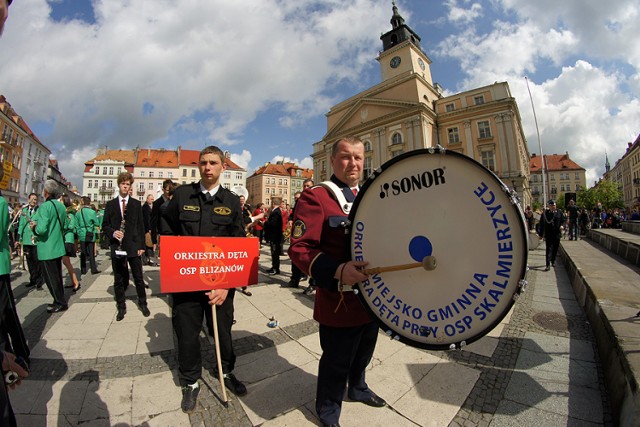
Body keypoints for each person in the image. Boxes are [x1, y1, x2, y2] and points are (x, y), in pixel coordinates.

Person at [288, 136, 385, 427]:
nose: (353, 163)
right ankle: (328, 409)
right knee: (335, 361)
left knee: (365, 350)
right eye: (345, 157)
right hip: (340, 299)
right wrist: (339, 270)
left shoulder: (373, 193)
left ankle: (358, 387)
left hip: (373, 297)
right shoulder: (316, 196)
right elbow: (300, 248)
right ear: (332, 161)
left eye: (358, 157)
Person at [160, 146, 248, 413]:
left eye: (213, 163)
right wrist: (172, 258)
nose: (207, 167)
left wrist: (226, 285)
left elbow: (238, 246)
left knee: (222, 331)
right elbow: (166, 224)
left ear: (222, 167)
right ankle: (190, 382)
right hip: (186, 283)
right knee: (187, 334)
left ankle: (227, 371)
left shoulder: (231, 202)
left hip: (219, 282)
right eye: (203, 163)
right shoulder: (183, 195)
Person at [102, 172, 150, 321]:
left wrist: (142, 245)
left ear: (130, 186)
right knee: (118, 279)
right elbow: (104, 225)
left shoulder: (136, 204)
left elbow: (141, 225)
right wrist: (112, 232)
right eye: (123, 184)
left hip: (133, 245)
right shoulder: (110, 205)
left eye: (128, 184)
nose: (125, 186)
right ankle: (121, 307)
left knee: (138, 278)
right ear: (119, 185)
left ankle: (143, 303)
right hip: (117, 246)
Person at [31, 180, 68, 313]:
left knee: (51, 278)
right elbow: (64, 225)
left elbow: (41, 230)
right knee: (57, 275)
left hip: (47, 247)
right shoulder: (61, 206)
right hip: (58, 245)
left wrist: (34, 228)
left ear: (45, 192)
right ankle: (59, 299)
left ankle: (60, 302)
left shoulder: (45, 207)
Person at [17, 193, 44, 290]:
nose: (34, 201)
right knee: (29, 261)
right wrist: (18, 239)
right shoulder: (24, 211)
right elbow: (20, 226)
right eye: (32, 199)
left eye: (35, 199)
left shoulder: (39, 211)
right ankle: (32, 279)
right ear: (28, 200)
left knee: (37, 261)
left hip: (35, 239)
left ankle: (39, 281)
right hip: (27, 239)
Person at [284, 191, 307, 288]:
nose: (296, 199)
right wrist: (290, 219)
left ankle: (305, 275)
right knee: (296, 254)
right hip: (298, 231)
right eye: (295, 198)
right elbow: (293, 214)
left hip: (309, 231)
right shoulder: (299, 202)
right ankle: (295, 279)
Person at [60, 195, 80, 292]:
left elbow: (71, 225)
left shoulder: (70, 213)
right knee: (66, 262)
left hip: (68, 239)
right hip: (65, 239)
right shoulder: (66, 212)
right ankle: (73, 281)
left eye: (60, 200)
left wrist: (63, 226)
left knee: (66, 262)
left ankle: (76, 282)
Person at [76, 196, 100, 276]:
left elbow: (77, 224)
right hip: (90, 233)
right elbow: (96, 223)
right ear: (89, 203)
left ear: (82, 202)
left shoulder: (78, 212)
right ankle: (93, 268)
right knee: (91, 252)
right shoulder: (92, 212)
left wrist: (79, 232)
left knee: (83, 252)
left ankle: (83, 269)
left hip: (82, 233)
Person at [539, 199, 566, 271]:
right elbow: (541, 224)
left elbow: (563, 220)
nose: (553, 206)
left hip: (557, 233)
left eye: (554, 205)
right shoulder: (545, 213)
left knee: (555, 248)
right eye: (551, 205)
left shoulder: (559, 212)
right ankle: (547, 264)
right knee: (549, 249)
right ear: (549, 206)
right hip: (549, 234)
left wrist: (562, 226)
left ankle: (553, 260)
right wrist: (540, 234)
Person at [264, 197, 283, 275]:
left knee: (275, 253)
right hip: (274, 235)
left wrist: (265, 223)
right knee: (273, 252)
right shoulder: (276, 211)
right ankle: (274, 267)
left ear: (273, 203)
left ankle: (276, 269)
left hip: (275, 236)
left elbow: (273, 224)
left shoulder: (276, 212)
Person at [142, 194, 157, 266]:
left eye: (153, 199)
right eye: (151, 199)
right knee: (149, 245)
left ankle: (145, 261)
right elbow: (147, 219)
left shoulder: (150, 207)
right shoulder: (145, 207)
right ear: (147, 199)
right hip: (148, 230)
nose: (152, 200)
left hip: (148, 229)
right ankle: (150, 260)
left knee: (147, 245)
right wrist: (150, 229)